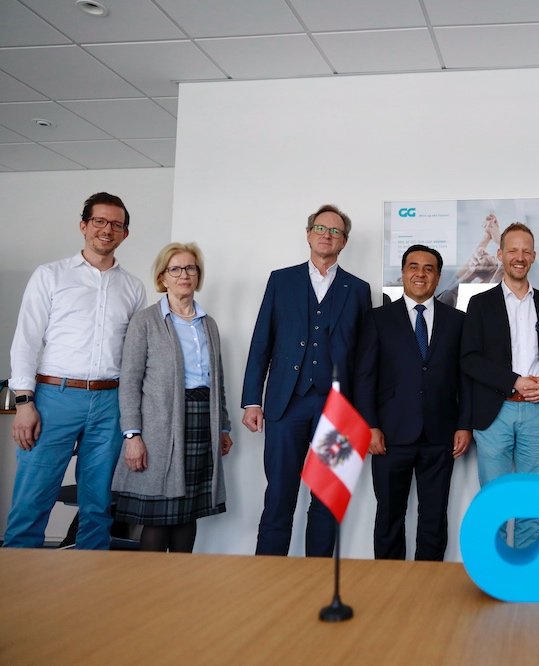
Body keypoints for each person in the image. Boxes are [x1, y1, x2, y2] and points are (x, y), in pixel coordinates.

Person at [5, 192, 146, 549]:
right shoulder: (50, 276)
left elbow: (135, 355)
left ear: (125, 233)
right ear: (83, 225)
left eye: (116, 224)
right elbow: (26, 340)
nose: (107, 229)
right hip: (54, 398)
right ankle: (16, 580)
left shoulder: (133, 287)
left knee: (98, 506)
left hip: (109, 401)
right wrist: (24, 402)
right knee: (33, 499)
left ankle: (90, 579)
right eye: (99, 221)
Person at [242, 204, 371, 557]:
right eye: (320, 228)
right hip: (286, 404)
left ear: (344, 241)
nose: (327, 235)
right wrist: (252, 399)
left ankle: (318, 577)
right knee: (279, 494)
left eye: (335, 231)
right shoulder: (281, 280)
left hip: (337, 410)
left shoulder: (358, 289)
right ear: (308, 234)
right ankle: (269, 574)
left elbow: (363, 358)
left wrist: (362, 413)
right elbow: (262, 341)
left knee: (327, 499)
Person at [111, 243, 232, 552]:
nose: (184, 275)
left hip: (202, 423)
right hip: (160, 430)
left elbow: (217, 381)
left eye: (190, 268)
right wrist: (132, 435)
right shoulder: (145, 321)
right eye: (175, 269)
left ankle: (181, 579)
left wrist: (223, 426)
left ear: (198, 275)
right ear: (162, 277)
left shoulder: (208, 324)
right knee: (158, 517)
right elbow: (129, 382)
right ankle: (151, 583)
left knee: (188, 511)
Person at [354, 244, 472, 560]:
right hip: (390, 435)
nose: (421, 274)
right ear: (404, 273)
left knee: (434, 517)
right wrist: (370, 426)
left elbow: (465, 378)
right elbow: (365, 377)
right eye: (414, 267)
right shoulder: (378, 318)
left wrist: (464, 424)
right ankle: (391, 582)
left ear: (438, 276)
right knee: (389, 515)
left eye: (429, 268)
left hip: (440, 434)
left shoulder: (457, 320)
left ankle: (428, 582)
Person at [461, 223, 539, 548]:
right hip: (495, 413)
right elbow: (469, 358)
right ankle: (494, 570)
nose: (519, 257)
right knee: (495, 500)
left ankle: (526, 568)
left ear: (534, 256)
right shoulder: (480, 304)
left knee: (533, 500)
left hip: (538, 412)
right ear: (500, 254)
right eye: (513, 251)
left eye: (525, 251)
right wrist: (513, 381)